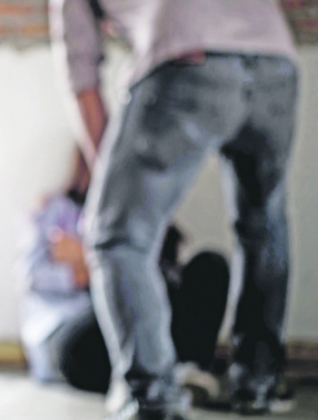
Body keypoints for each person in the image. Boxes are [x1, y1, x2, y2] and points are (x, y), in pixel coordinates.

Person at [49, 0, 299, 420]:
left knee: (114, 236)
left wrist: (108, 178)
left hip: (188, 63)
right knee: (263, 223)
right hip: (278, 65)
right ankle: (259, 382)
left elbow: (82, 80)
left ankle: (152, 399)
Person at [19, 152, 229, 396]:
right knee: (88, 340)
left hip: (135, 322)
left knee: (208, 266)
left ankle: (187, 371)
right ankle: (157, 379)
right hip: (74, 329)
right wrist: (89, 270)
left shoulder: (137, 215)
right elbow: (32, 276)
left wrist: (85, 258)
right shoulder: (54, 210)